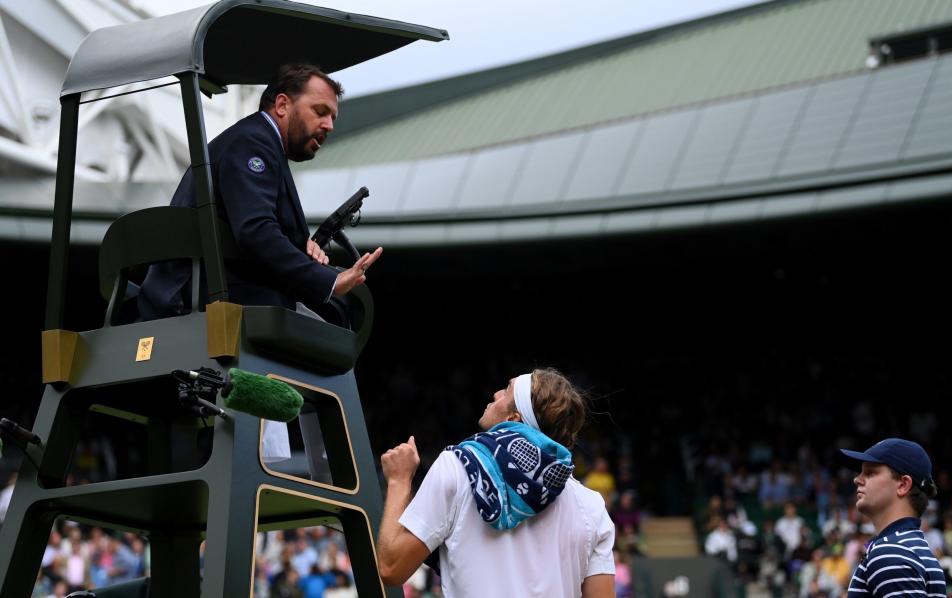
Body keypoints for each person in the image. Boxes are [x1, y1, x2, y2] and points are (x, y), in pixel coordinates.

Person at [139, 63, 381, 320]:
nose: (329, 125)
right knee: (340, 326)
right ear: (282, 105)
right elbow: (255, 230)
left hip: (217, 295)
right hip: (217, 301)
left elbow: (247, 224)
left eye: (332, 117)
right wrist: (330, 281)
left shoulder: (258, 143)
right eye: (320, 111)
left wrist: (299, 245)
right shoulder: (253, 142)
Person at [376, 368, 615, 597]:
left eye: (506, 389)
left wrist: (399, 480)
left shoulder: (458, 467)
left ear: (513, 417)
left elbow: (391, 567)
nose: (496, 394)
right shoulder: (591, 506)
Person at [840, 438, 946, 597]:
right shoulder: (911, 549)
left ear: (903, 485)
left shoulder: (890, 552)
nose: (857, 479)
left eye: (870, 472)